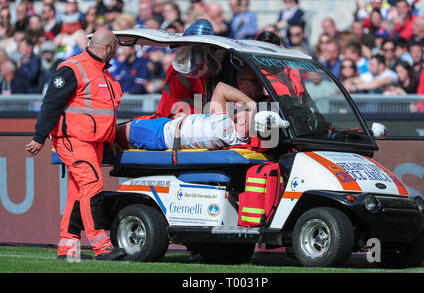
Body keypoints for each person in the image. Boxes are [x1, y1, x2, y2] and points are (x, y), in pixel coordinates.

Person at [25, 29, 126, 261]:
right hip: (74, 140)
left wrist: (109, 140)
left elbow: (103, 113)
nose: (116, 54)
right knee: (92, 184)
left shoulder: (104, 74)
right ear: (108, 48)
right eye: (115, 49)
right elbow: (51, 103)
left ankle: (68, 248)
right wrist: (39, 137)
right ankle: (102, 247)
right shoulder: (73, 68)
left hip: (93, 142)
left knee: (77, 192)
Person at [116, 81, 256, 151]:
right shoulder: (239, 140)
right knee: (116, 137)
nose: (237, 105)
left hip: (160, 133)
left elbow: (221, 88)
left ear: (243, 120)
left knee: (112, 133)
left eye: (244, 109)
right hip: (168, 128)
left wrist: (251, 103)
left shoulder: (226, 127)